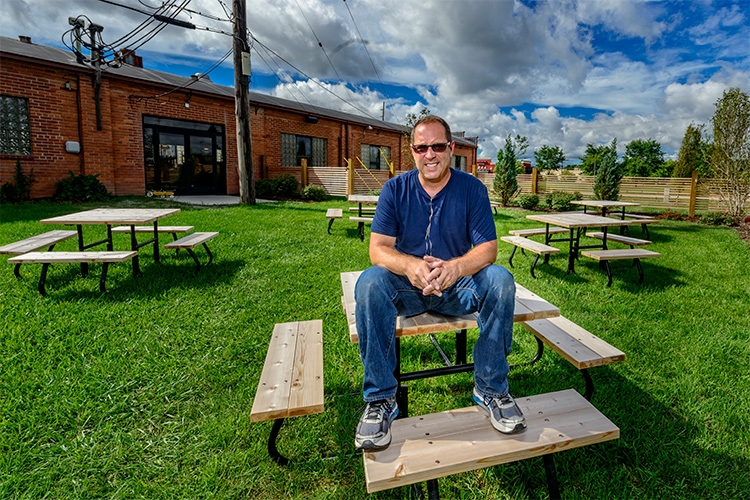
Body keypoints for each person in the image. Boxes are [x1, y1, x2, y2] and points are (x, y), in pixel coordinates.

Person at [354, 115, 526, 451]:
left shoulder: (472, 188)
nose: (429, 154)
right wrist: (411, 266)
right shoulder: (395, 189)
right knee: (371, 282)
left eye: (437, 146)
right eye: (422, 147)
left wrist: (456, 267)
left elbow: (489, 250)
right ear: (413, 152)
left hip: (456, 289)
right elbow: (378, 250)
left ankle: (491, 390)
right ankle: (381, 399)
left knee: (501, 280)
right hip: (409, 289)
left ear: (450, 149)